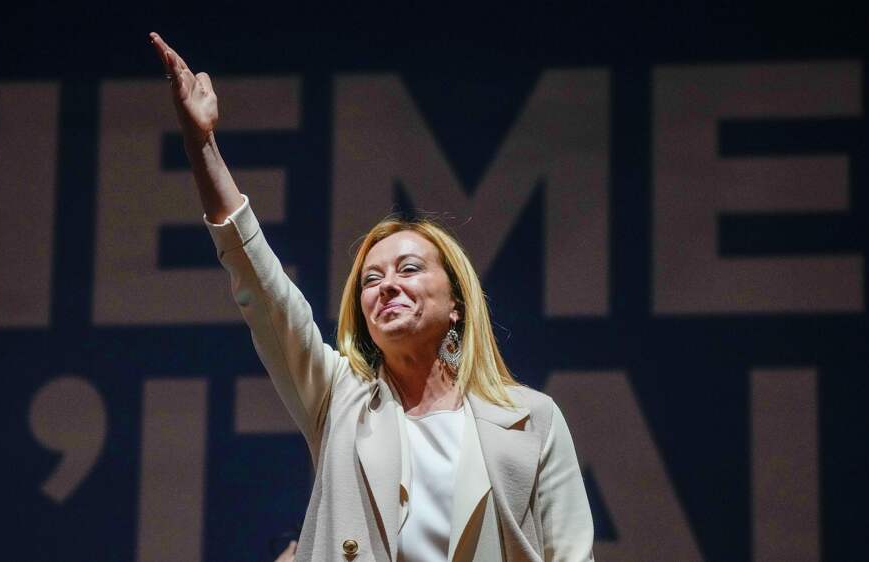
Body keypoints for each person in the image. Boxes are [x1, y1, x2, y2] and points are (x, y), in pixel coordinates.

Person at [149, 32, 596, 562]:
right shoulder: (338, 398)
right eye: (370, 279)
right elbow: (263, 287)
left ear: (457, 302)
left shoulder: (531, 418)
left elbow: (572, 554)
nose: (386, 285)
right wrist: (201, 145)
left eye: (409, 269)